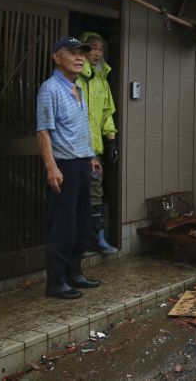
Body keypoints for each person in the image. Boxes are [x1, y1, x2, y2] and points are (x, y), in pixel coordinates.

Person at [36, 36, 103, 299]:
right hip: (62, 165)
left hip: (82, 163)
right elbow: (43, 131)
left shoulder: (79, 88)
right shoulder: (50, 89)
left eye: (82, 53)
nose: (79, 57)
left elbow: (79, 128)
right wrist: (51, 167)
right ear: (56, 56)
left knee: (82, 223)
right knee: (63, 226)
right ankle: (56, 282)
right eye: (72, 52)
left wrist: (91, 156)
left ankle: (75, 274)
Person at [78, 31, 119, 256]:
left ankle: (97, 238)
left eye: (101, 49)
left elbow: (106, 114)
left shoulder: (102, 80)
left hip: (95, 150)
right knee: (76, 195)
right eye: (93, 48)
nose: (97, 53)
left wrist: (111, 141)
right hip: (74, 150)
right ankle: (80, 241)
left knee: (95, 193)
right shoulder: (75, 77)